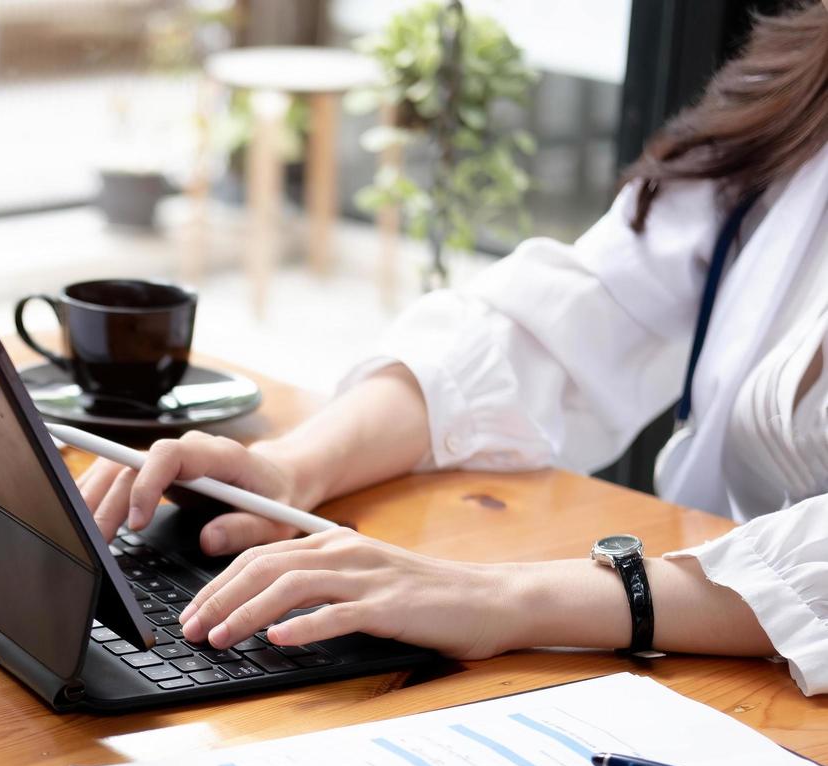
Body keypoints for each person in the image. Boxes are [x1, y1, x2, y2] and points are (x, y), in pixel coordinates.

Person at [78, 1, 828, 695]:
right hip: (700, 677)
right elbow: (559, 321)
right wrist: (292, 470)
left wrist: (501, 595)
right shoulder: (803, 101)